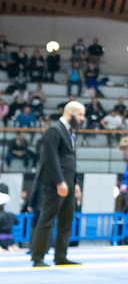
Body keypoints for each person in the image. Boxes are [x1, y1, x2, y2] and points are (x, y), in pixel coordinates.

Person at [29, 101, 85, 267]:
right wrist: (60, 182)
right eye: (80, 114)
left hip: (68, 183)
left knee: (66, 220)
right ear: (70, 113)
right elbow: (50, 158)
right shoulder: (54, 130)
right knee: (47, 219)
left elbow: (70, 160)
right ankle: (37, 257)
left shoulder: (69, 132)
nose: (82, 118)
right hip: (55, 184)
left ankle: (61, 256)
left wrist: (74, 183)